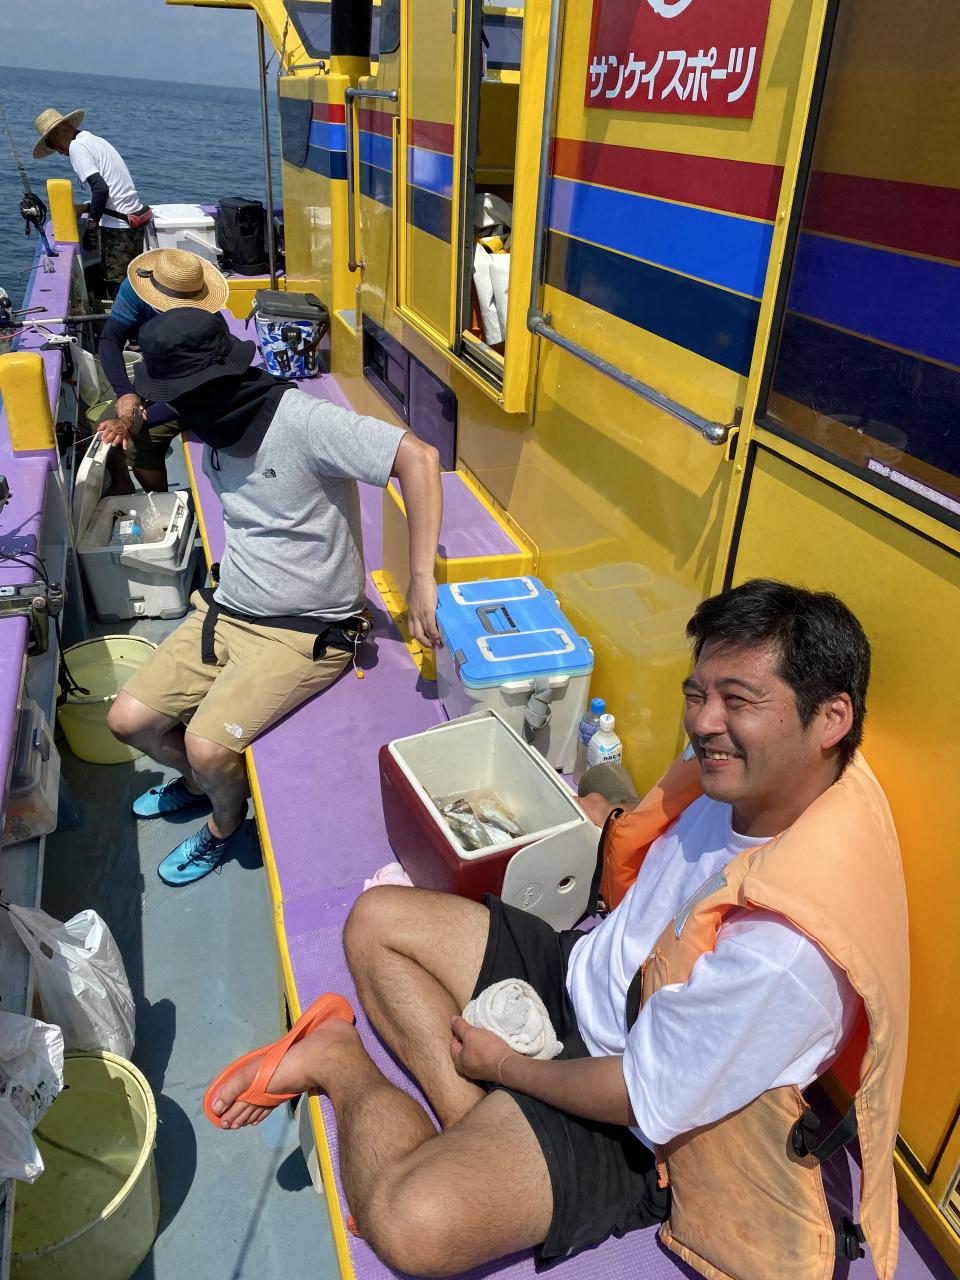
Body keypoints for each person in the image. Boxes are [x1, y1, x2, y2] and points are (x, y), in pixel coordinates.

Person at [203, 580, 909, 1280]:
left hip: (626, 1119)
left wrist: (505, 1067)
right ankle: (481, 1129)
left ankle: (339, 1062)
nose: (704, 723)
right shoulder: (748, 779)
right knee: (375, 922)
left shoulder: (786, 952)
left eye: (739, 700)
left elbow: (641, 1095)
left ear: (831, 718)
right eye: (697, 694)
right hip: (579, 975)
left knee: (408, 1223)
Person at [106, 307, 443, 887]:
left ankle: (224, 821)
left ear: (209, 384)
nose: (173, 407)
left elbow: (419, 457)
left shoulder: (303, 421)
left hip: (306, 629)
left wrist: (421, 579)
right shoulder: (211, 422)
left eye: (175, 395)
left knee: (207, 747)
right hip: (228, 607)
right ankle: (203, 786)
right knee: (126, 721)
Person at [96, 247, 229, 492]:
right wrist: (125, 392)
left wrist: (131, 421)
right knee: (104, 425)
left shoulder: (205, 324)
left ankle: (158, 498)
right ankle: (122, 484)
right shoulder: (135, 289)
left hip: (203, 390)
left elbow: (194, 393)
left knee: (138, 443)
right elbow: (109, 339)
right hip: (161, 374)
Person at [32, 106, 148, 295]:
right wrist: (85, 207)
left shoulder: (76, 147)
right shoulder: (94, 140)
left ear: (56, 134)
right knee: (131, 283)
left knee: (117, 287)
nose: (58, 152)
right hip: (133, 220)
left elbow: (101, 189)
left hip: (118, 229)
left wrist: (91, 230)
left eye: (52, 145)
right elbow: (114, 191)